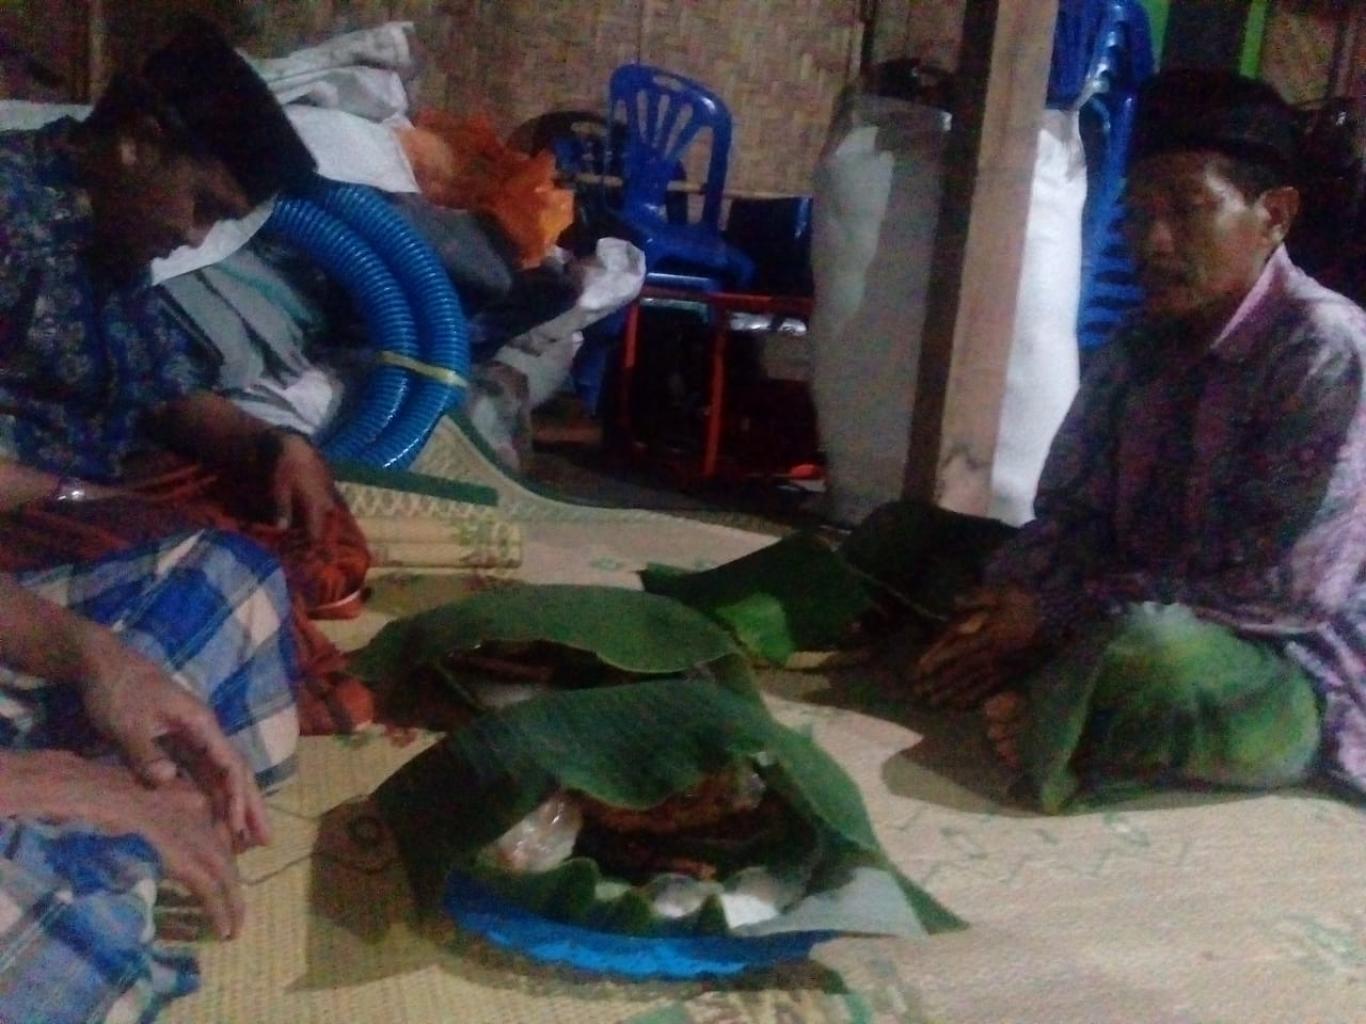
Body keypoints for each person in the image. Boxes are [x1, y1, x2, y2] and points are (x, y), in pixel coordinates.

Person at [860, 70, 1365, 810]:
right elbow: (1070, 512)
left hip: (1273, 659)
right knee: (906, 536)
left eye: (1188, 210)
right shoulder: (1137, 342)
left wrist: (1051, 615)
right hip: (1115, 602)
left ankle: (1061, 701)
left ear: (1274, 215)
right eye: (1137, 215)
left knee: (1156, 656)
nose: (1152, 243)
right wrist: (1017, 595)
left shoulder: (1325, 348)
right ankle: (1054, 687)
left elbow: (1285, 594)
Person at [0, 19, 341, 1021]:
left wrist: (273, 446)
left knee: (235, 574)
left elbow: (160, 390)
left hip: (53, 540)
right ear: (137, 142)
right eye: (202, 204)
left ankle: (112, 811)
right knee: (71, 949)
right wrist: (74, 510)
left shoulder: (108, 247)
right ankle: (90, 846)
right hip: (29, 517)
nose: (196, 236)